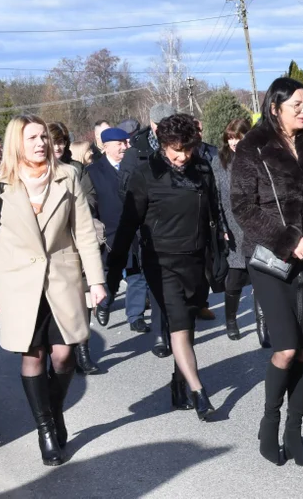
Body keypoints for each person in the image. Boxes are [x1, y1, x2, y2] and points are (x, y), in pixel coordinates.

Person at [0, 115, 106, 467]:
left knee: (63, 355)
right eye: (32, 138)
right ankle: (46, 429)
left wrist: (96, 281)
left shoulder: (68, 176)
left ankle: (55, 411)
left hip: (62, 279)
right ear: (17, 142)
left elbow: (85, 234)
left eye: (43, 137)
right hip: (18, 285)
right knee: (34, 356)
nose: (41, 143)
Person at [231, 78, 303, 467]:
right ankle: (270, 423)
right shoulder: (252, 148)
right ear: (274, 107)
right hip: (269, 260)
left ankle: (295, 432)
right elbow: (242, 206)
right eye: (296, 104)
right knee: (287, 347)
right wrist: (288, 240)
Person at [110, 113, 222, 421]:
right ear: (162, 144)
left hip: (195, 259)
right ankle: (199, 391)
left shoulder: (201, 169)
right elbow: (127, 225)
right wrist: (110, 271)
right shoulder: (145, 175)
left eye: (188, 149)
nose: (183, 157)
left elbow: (213, 210)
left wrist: (219, 243)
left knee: (187, 326)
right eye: (177, 150)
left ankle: (178, 383)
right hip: (161, 262)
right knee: (179, 325)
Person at [119, 104, 177, 359]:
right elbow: (125, 190)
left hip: (178, 224)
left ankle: (177, 328)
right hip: (149, 227)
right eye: (161, 123)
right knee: (155, 281)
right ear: (153, 124)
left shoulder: (181, 145)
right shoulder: (135, 152)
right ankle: (160, 334)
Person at [84, 127, 149, 334]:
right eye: (120, 143)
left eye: (126, 142)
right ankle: (104, 303)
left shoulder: (136, 166)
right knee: (110, 274)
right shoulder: (94, 171)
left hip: (136, 232)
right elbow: (88, 203)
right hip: (110, 234)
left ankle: (136, 316)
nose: (125, 147)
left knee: (137, 274)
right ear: (106, 146)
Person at [210, 117, 266, 343]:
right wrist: (222, 227)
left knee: (262, 279)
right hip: (233, 229)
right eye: (230, 138)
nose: (234, 142)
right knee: (234, 280)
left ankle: (264, 326)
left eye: (238, 137)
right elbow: (216, 198)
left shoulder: (259, 159)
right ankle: (231, 321)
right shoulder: (219, 162)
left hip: (258, 226)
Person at [48, 122, 97, 373]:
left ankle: (83, 352)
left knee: (83, 299)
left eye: (62, 142)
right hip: (47, 249)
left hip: (76, 241)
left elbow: (90, 198)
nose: (58, 147)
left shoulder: (76, 169)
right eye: (54, 141)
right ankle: (53, 350)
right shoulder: (35, 170)